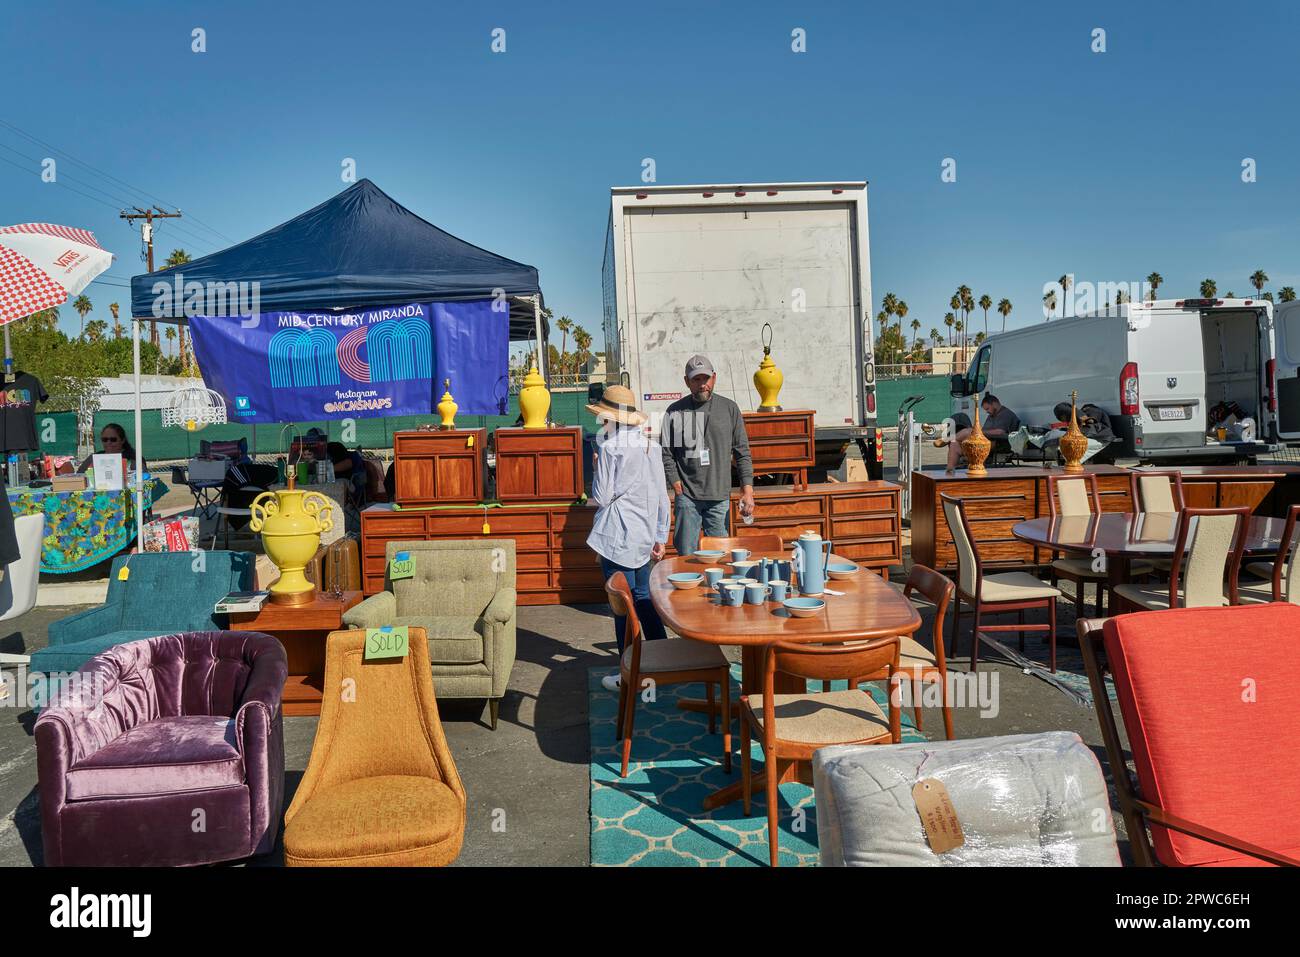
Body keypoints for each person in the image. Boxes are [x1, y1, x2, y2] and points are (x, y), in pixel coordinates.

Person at [586, 385, 669, 692]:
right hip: (645, 535)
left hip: (618, 536)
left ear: (609, 418)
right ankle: (664, 662)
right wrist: (661, 534)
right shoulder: (651, 446)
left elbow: (603, 497)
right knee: (643, 599)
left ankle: (628, 673)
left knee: (623, 605)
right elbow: (663, 496)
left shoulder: (609, 448)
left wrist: (596, 467)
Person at [660, 355, 754, 557]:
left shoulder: (730, 409)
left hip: (719, 497)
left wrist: (747, 491)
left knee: (720, 557)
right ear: (687, 381)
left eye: (706, 378)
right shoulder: (674, 411)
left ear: (714, 378)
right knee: (686, 556)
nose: (702, 384)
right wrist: (676, 484)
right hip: (687, 498)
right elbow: (667, 454)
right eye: (696, 379)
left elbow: (742, 452)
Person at [936, 394, 1020, 472]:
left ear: (994, 404)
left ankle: (945, 440)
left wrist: (977, 431)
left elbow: (1000, 432)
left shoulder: (1006, 414)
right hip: (985, 441)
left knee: (969, 430)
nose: (987, 411)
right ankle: (950, 470)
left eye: (987, 409)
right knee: (954, 443)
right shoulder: (991, 416)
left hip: (998, 443)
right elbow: (986, 430)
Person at [77, 423, 144, 474]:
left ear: (122, 440)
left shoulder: (134, 458)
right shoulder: (93, 458)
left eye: (113, 439)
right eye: (105, 439)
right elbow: (79, 475)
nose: (108, 442)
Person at [327, 441, 368, 506]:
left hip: (349, 486)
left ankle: (340, 508)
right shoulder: (351, 456)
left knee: (341, 483)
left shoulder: (347, 460)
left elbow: (346, 464)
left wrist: (326, 468)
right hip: (335, 484)